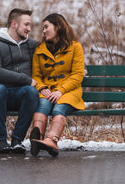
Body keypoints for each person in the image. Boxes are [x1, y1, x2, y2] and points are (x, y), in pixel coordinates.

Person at [29, 13, 85, 157]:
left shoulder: (75, 47)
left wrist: (60, 90)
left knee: (58, 109)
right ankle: (38, 137)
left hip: (69, 90)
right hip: (47, 90)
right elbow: (36, 75)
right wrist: (42, 88)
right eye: (43, 28)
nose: (44, 31)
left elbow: (77, 74)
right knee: (42, 106)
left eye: (46, 27)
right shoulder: (40, 49)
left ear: (58, 27)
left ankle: (52, 140)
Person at [0, 8, 39, 154]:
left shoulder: (31, 45)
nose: (29, 29)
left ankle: (17, 140)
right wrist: (25, 79)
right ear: (14, 24)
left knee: (31, 92)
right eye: (26, 24)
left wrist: (81, 66)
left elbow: (57, 51)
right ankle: (1, 141)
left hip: (19, 94)